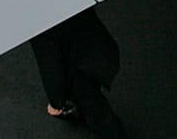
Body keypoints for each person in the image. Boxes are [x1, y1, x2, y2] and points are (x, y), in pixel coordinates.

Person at [29, 8, 130, 139]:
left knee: (99, 114)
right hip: (96, 50)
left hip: (78, 71)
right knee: (94, 98)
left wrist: (56, 102)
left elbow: (50, 65)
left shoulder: (38, 22)